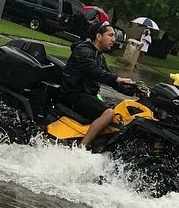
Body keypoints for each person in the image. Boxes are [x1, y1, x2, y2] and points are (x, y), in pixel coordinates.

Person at [60, 20, 140, 150]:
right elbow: (95, 72)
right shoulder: (84, 50)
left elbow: (110, 79)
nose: (114, 39)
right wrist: (117, 79)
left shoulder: (100, 57)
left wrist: (134, 90)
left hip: (87, 95)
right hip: (74, 94)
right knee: (108, 113)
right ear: (98, 36)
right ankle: (81, 149)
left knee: (120, 113)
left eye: (114, 36)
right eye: (110, 35)